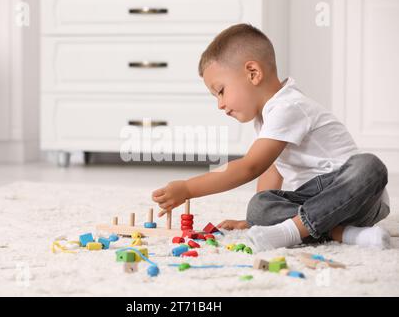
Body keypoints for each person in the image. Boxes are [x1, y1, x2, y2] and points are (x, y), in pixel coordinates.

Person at [152, 23, 390, 251]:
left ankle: (289, 231)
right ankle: (346, 234)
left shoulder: (289, 106)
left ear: (253, 73)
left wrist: (187, 188)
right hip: (311, 202)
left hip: (352, 196)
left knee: (370, 166)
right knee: (259, 208)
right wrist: (252, 221)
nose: (220, 105)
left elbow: (251, 166)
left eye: (221, 91)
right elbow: (272, 168)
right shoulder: (264, 117)